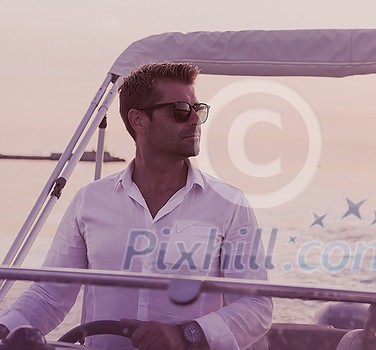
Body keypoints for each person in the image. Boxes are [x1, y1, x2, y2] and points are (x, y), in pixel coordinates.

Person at [0, 62, 273, 349]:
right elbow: (49, 295)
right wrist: (5, 328)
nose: (194, 121)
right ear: (138, 120)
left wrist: (185, 334)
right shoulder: (89, 201)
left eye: (198, 110)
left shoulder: (228, 204)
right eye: (181, 110)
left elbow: (255, 305)